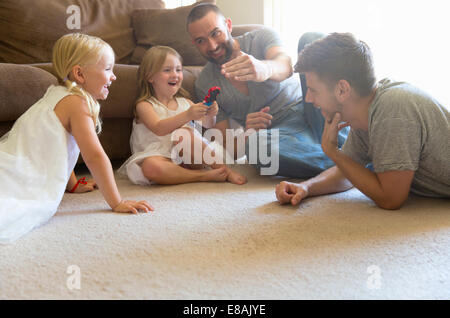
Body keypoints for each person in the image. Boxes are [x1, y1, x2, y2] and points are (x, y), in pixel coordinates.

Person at [0, 33, 153, 244]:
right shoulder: (77, 104)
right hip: (20, 172)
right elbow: (94, 157)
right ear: (80, 74)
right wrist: (117, 202)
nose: (114, 76)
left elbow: (58, 147)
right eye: (108, 69)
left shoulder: (56, 94)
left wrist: (71, 184)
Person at [276, 32, 450, 210]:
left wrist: (333, 151)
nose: (308, 98)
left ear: (342, 89)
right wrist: (306, 187)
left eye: (313, 90)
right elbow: (347, 172)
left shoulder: (393, 108)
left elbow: (391, 199)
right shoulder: (363, 114)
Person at [186, 3, 348, 178]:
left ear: (228, 25)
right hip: (283, 137)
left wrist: (265, 68)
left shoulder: (261, 37)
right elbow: (226, 144)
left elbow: (285, 64)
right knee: (255, 147)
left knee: (312, 38)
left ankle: (344, 153)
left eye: (215, 33)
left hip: (314, 109)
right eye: (201, 41)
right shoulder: (205, 83)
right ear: (193, 43)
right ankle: (351, 166)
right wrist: (248, 132)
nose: (211, 46)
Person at [118, 46, 247, 185]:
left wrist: (211, 114)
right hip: (159, 157)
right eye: (167, 70)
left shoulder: (185, 103)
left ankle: (224, 170)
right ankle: (202, 176)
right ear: (150, 77)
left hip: (188, 158)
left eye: (178, 70)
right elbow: (159, 128)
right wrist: (187, 115)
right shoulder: (145, 105)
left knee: (183, 134)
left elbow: (207, 125)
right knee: (150, 167)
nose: (175, 75)